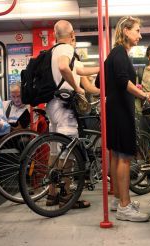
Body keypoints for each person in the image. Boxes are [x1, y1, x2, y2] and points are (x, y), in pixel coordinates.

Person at [105, 16, 150, 222]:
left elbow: (102, 80)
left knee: (117, 155)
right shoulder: (119, 53)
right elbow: (122, 81)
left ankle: (119, 199)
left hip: (115, 108)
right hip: (120, 110)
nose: (140, 34)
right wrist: (144, 95)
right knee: (125, 157)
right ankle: (125, 207)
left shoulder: (116, 54)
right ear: (126, 31)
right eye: (137, 30)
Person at [45, 20, 99, 209]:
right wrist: (77, 89)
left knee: (54, 151)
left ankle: (51, 194)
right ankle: (66, 195)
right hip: (65, 106)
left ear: (54, 35)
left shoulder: (53, 50)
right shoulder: (66, 49)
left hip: (52, 105)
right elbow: (63, 67)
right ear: (72, 34)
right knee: (68, 151)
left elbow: (80, 70)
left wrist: (102, 67)